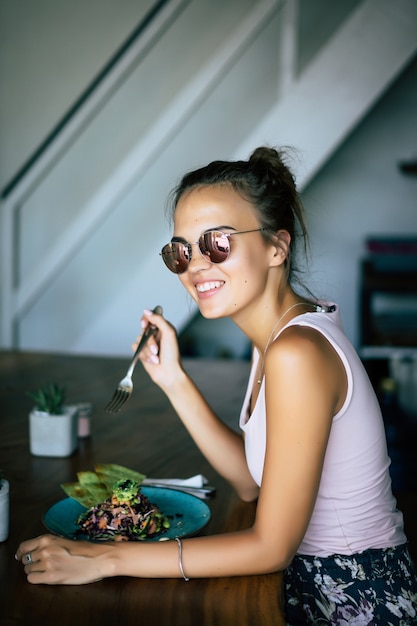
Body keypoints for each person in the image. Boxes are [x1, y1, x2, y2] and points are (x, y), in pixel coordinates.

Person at [16, 147, 417, 624]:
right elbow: (252, 484)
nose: (195, 265)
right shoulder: (276, 336)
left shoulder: (297, 353)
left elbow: (271, 547)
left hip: (353, 592)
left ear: (276, 247)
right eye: (180, 251)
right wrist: (173, 380)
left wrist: (103, 558)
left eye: (217, 244)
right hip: (324, 576)